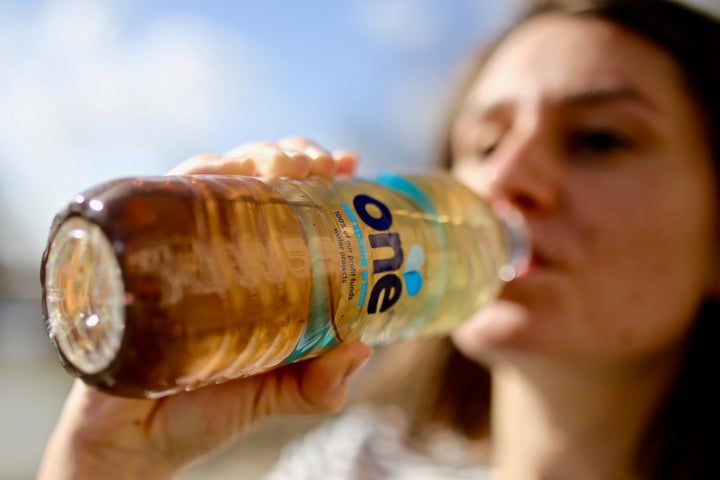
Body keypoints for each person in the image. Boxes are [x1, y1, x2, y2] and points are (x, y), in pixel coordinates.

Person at [38, 0, 720, 478]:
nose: (505, 178)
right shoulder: (357, 467)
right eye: (482, 142)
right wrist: (107, 464)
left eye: (599, 139)